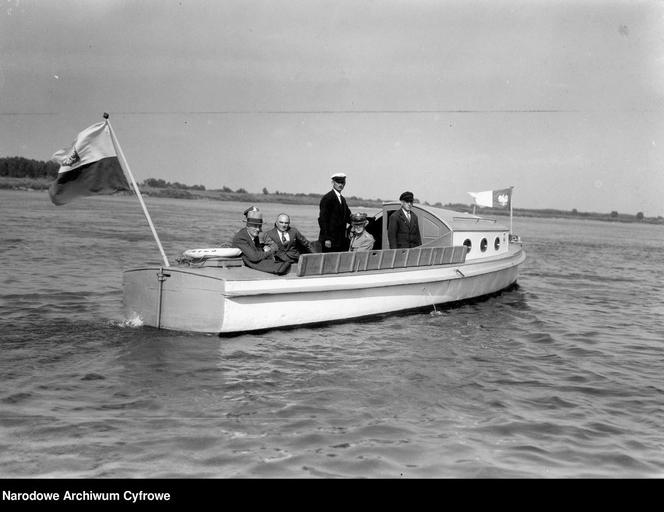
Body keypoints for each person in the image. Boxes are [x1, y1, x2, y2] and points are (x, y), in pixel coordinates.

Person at [232, 209, 291, 275]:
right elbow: (254, 257)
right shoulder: (241, 238)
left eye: (259, 226)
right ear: (247, 225)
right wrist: (270, 251)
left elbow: (266, 248)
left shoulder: (255, 235)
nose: (257, 229)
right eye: (254, 226)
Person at [318, 172, 352, 252]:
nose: (341, 185)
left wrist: (361, 221)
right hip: (330, 241)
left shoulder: (342, 199)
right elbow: (323, 220)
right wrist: (327, 239)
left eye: (342, 182)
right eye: (338, 182)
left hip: (340, 239)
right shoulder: (327, 198)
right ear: (333, 182)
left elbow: (348, 216)